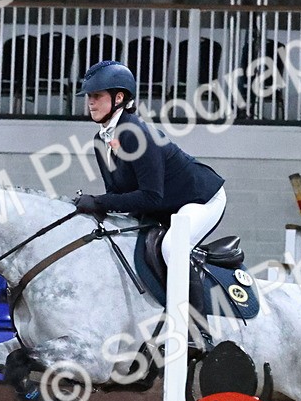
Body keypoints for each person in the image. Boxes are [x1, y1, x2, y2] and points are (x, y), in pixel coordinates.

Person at [73, 60, 227, 265]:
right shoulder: (101, 140)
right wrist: (94, 206)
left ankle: (192, 288)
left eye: (97, 96)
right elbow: (116, 193)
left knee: (172, 248)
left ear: (119, 98)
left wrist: (98, 202)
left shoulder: (138, 135)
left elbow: (151, 196)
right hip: (166, 205)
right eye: (89, 96)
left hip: (200, 199)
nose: (91, 102)